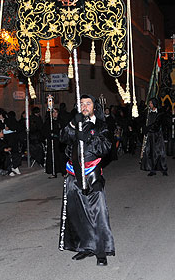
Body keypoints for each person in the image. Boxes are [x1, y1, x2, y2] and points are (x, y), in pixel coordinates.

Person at [59, 94, 114, 266]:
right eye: (81, 103)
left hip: (92, 174)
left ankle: (100, 251)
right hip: (73, 173)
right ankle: (85, 247)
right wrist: (73, 125)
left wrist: (89, 137)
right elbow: (62, 138)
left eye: (88, 103)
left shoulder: (101, 125)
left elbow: (106, 147)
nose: (84, 106)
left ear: (94, 107)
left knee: (97, 213)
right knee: (77, 213)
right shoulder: (75, 122)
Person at [140, 97, 168, 176]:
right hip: (150, 136)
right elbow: (143, 121)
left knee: (160, 152)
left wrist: (147, 128)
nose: (150, 105)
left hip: (157, 135)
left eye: (151, 103)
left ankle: (163, 169)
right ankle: (152, 169)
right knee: (150, 152)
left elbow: (156, 124)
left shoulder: (160, 113)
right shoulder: (147, 113)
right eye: (149, 103)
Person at [43, 107, 64, 178]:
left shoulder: (60, 121)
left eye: (56, 112)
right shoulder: (48, 121)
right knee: (52, 157)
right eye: (53, 112)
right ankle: (53, 172)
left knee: (61, 157)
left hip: (59, 142)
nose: (54, 114)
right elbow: (44, 131)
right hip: (51, 142)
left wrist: (57, 135)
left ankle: (63, 172)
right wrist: (50, 134)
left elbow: (63, 130)